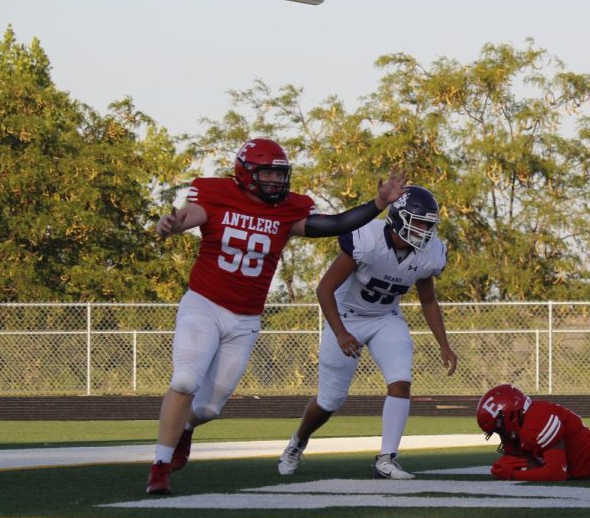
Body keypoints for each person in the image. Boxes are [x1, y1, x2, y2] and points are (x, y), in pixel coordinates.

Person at [146, 138, 407, 496]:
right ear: (245, 172)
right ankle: (159, 466)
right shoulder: (216, 193)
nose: (274, 181)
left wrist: (378, 203)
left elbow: (334, 224)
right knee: (186, 380)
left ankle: (185, 429)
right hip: (204, 303)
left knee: (208, 407)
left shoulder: (286, 210)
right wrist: (174, 226)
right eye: (267, 172)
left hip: (245, 319)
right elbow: (191, 216)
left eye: (278, 174)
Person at [277, 185, 457, 480]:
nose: (425, 230)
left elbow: (428, 300)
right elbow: (325, 289)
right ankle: (298, 441)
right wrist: (340, 333)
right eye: (419, 222)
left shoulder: (429, 253)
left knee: (401, 382)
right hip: (346, 317)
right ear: (399, 217)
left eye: (429, 224)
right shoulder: (368, 237)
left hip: (386, 318)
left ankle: (387, 460)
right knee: (330, 401)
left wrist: (444, 345)